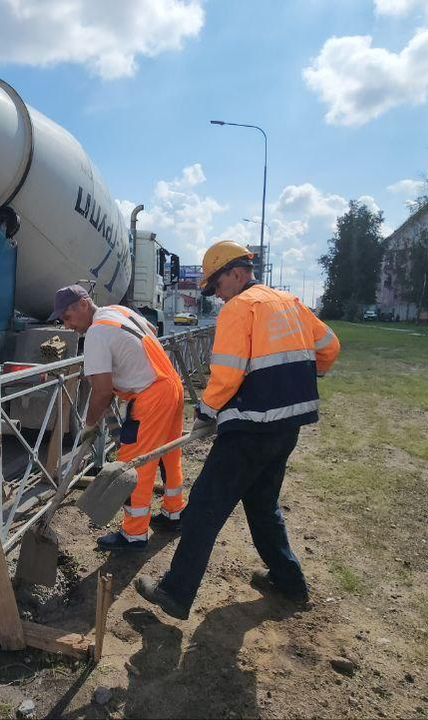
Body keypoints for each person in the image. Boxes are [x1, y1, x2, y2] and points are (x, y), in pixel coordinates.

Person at [134, 240, 341, 620]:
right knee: (263, 506)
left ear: (236, 272)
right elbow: (329, 347)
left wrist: (206, 411)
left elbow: (227, 375)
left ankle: (175, 593)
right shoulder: (291, 303)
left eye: (217, 285)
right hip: (288, 427)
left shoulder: (239, 309)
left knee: (203, 510)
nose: (217, 294)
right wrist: (302, 377)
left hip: (251, 428)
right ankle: (290, 583)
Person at [50, 284, 185, 551]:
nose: (67, 326)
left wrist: (89, 426)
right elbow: (151, 331)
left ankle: (133, 534)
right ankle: (174, 513)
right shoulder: (117, 311)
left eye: (67, 317)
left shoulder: (97, 333)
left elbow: (101, 391)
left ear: (82, 305)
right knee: (169, 456)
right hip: (170, 383)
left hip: (151, 395)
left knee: (133, 465)